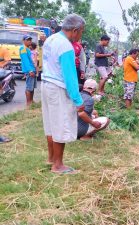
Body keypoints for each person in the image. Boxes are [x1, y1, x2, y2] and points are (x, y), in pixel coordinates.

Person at [41, 14, 86, 174]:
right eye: (81, 32)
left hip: (46, 84)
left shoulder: (51, 39)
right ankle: (58, 165)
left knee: (51, 124)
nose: (81, 36)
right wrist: (77, 99)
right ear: (75, 30)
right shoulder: (66, 47)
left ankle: (51, 158)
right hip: (58, 88)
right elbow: (70, 77)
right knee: (60, 124)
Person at [19, 35, 36, 106]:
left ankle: (31, 101)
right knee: (29, 87)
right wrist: (30, 71)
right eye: (28, 40)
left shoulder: (27, 48)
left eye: (30, 40)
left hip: (32, 69)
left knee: (32, 87)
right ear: (24, 41)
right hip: (29, 71)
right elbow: (25, 61)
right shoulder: (23, 48)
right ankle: (28, 103)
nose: (30, 41)